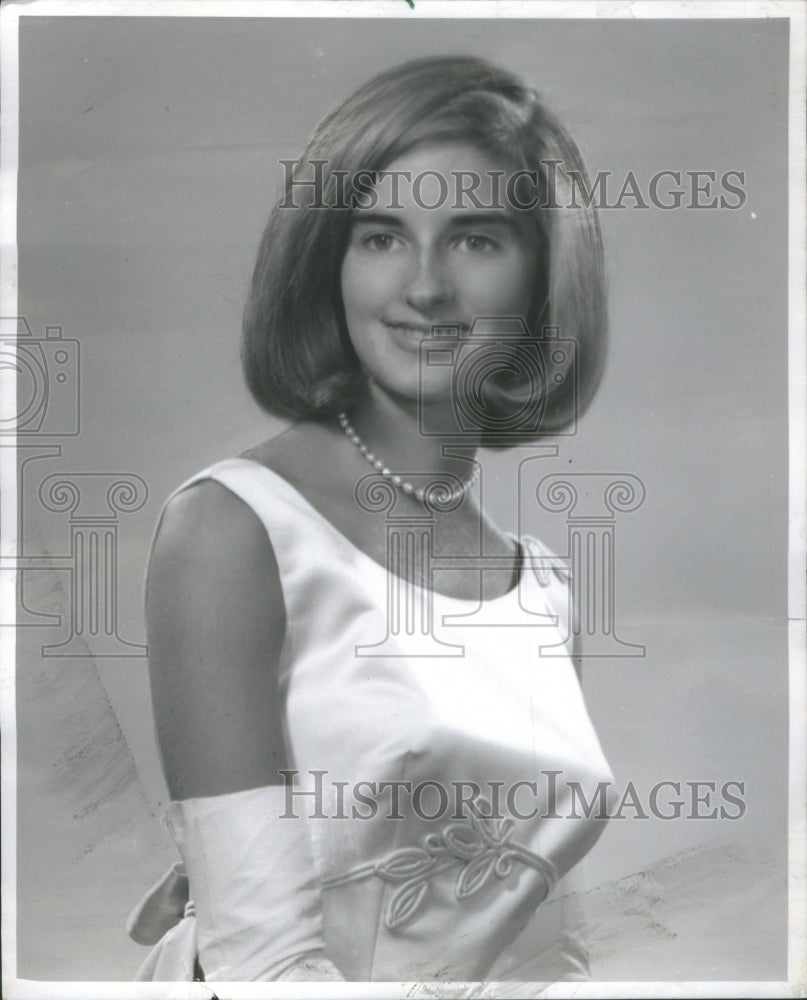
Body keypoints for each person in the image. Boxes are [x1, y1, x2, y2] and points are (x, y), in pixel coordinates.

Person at [127, 55, 615, 986]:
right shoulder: (234, 531)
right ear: (329, 263)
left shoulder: (542, 591)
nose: (424, 287)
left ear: (545, 276)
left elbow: (549, 955)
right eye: (382, 236)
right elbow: (261, 967)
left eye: (475, 239)